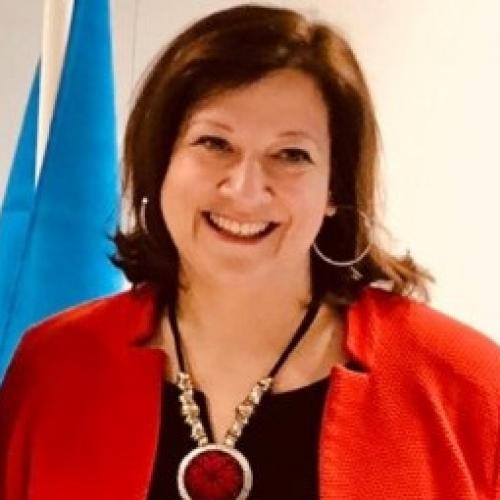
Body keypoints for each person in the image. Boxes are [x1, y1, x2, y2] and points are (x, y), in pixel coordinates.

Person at [1, 4, 499, 500]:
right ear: (161, 162)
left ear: (334, 188)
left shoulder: (467, 388)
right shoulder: (54, 369)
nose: (244, 189)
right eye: (215, 143)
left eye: (291, 155)